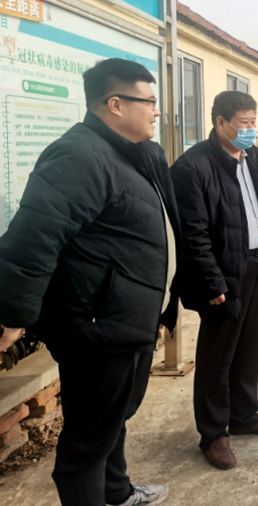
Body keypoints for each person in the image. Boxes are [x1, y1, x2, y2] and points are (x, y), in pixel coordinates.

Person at [0, 58, 180, 506]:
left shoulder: (136, 154)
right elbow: (34, 237)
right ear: (115, 104)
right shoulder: (79, 155)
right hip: (98, 328)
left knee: (114, 420)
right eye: (149, 101)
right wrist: (14, 314)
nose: (157, 111)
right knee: (89, 439)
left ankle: (116, 492)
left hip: (129, 319)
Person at [170, 91, 258, 470]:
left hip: (257, 264)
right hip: (224, 274)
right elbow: (193, 234)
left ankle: (244, 415)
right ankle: (213, 434)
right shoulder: (192, 167)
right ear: (220, 122)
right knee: (217, 357)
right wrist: (212, 282)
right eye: (244, 123)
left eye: (254, 122)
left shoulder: (250, 156)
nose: (250, 130)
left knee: (251, 346)